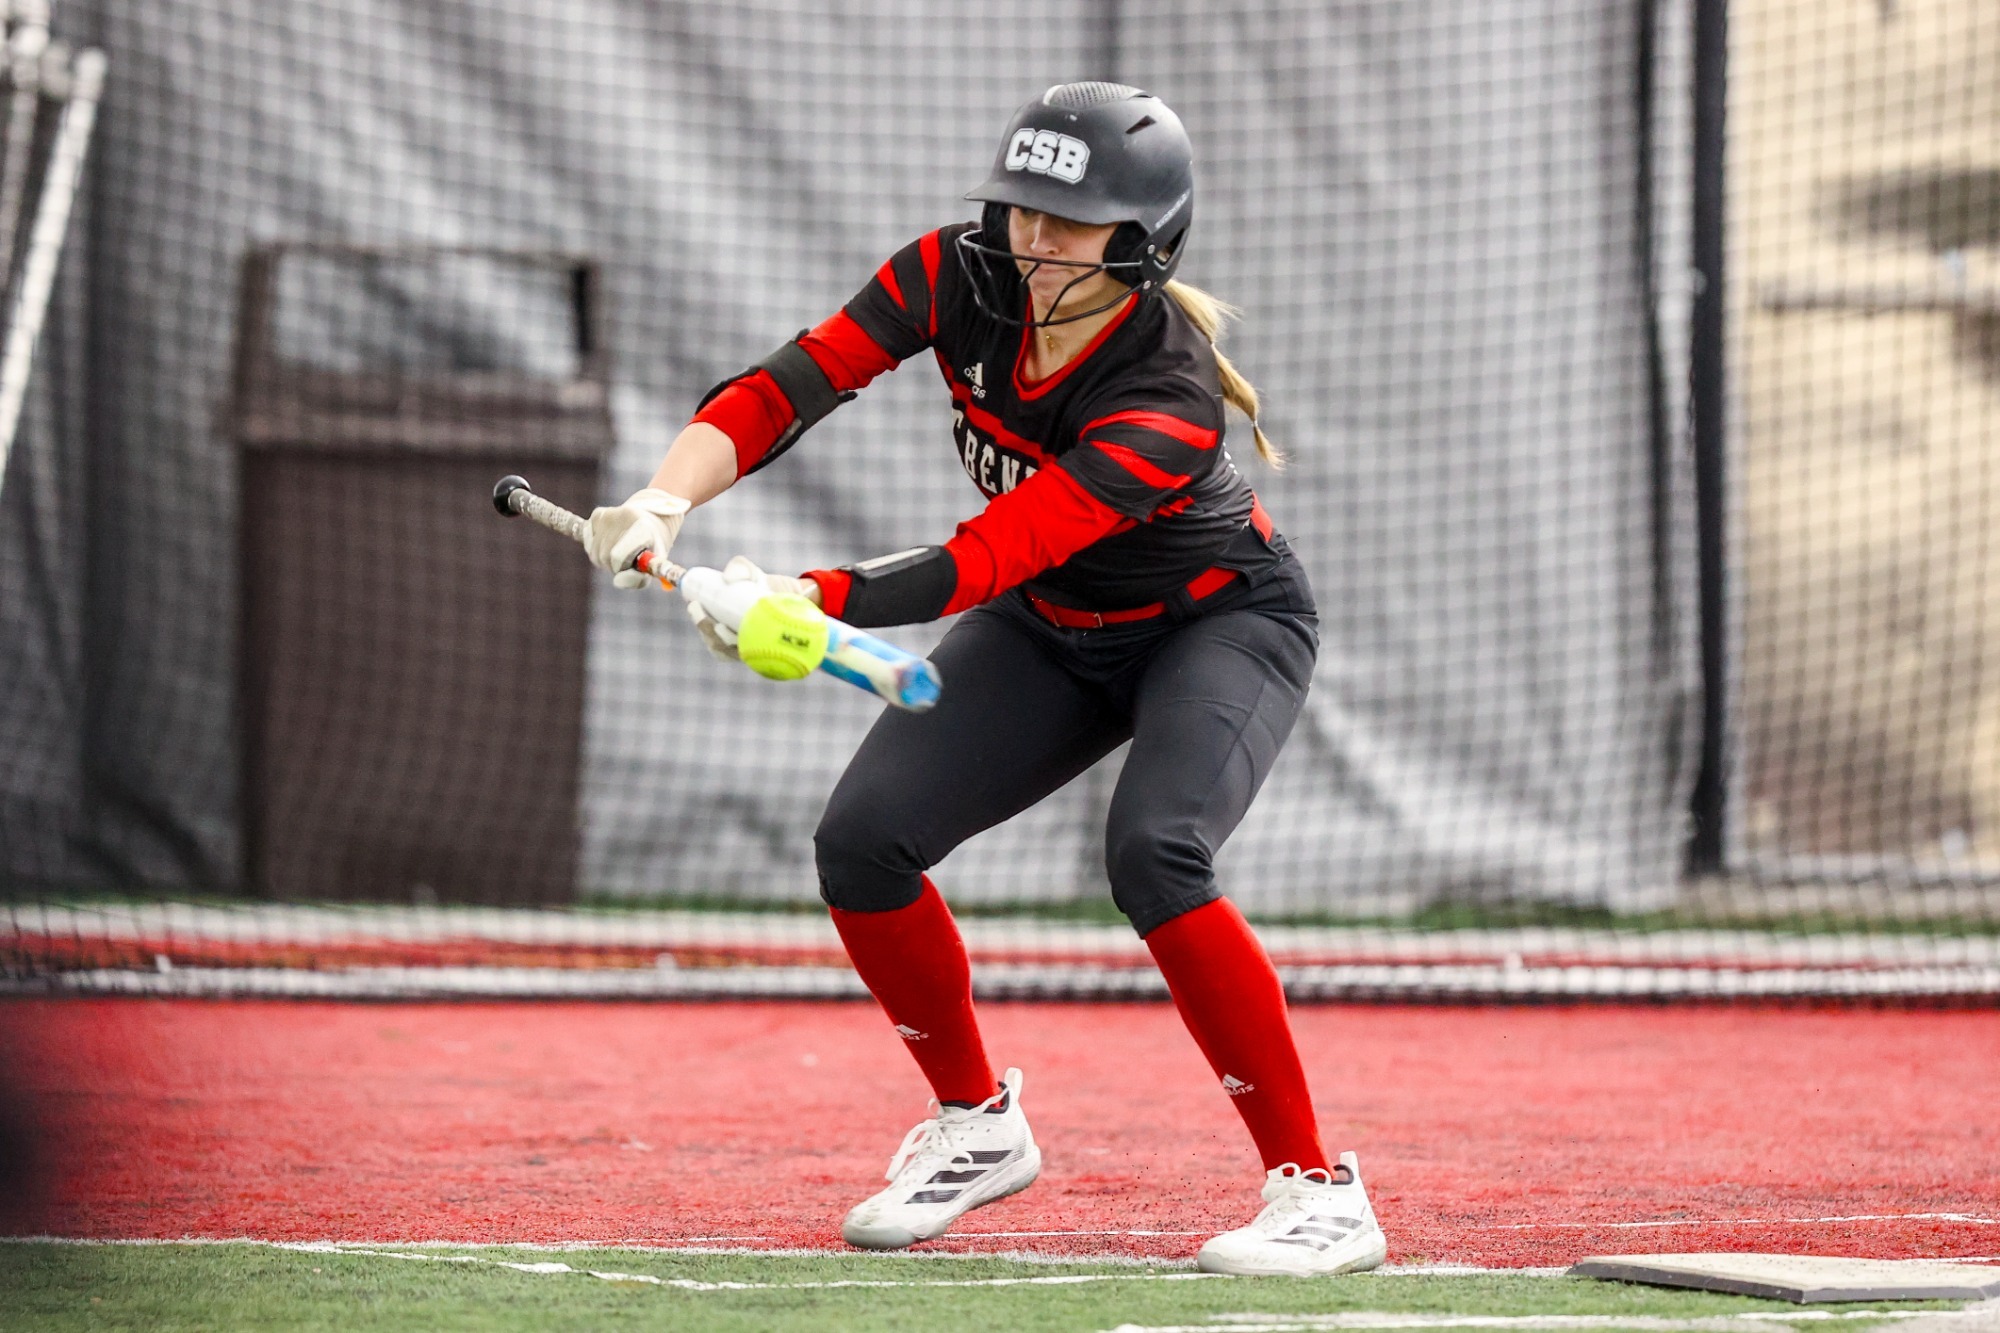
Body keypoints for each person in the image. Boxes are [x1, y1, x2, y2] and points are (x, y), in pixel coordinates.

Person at [583, 82, 1387, 1277]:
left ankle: (1318, 1190)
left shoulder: (1165, 398)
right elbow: (788, 384)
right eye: (1020, 209)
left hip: (1216, 627)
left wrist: (804, 599)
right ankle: (976, 1122)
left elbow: (986, 556)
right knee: (861, 842)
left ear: (1143, 243)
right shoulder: (949, 274)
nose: (1029, 238)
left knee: (1155, 853)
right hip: (1054, 624)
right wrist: (663, 497)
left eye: (1068, 223)